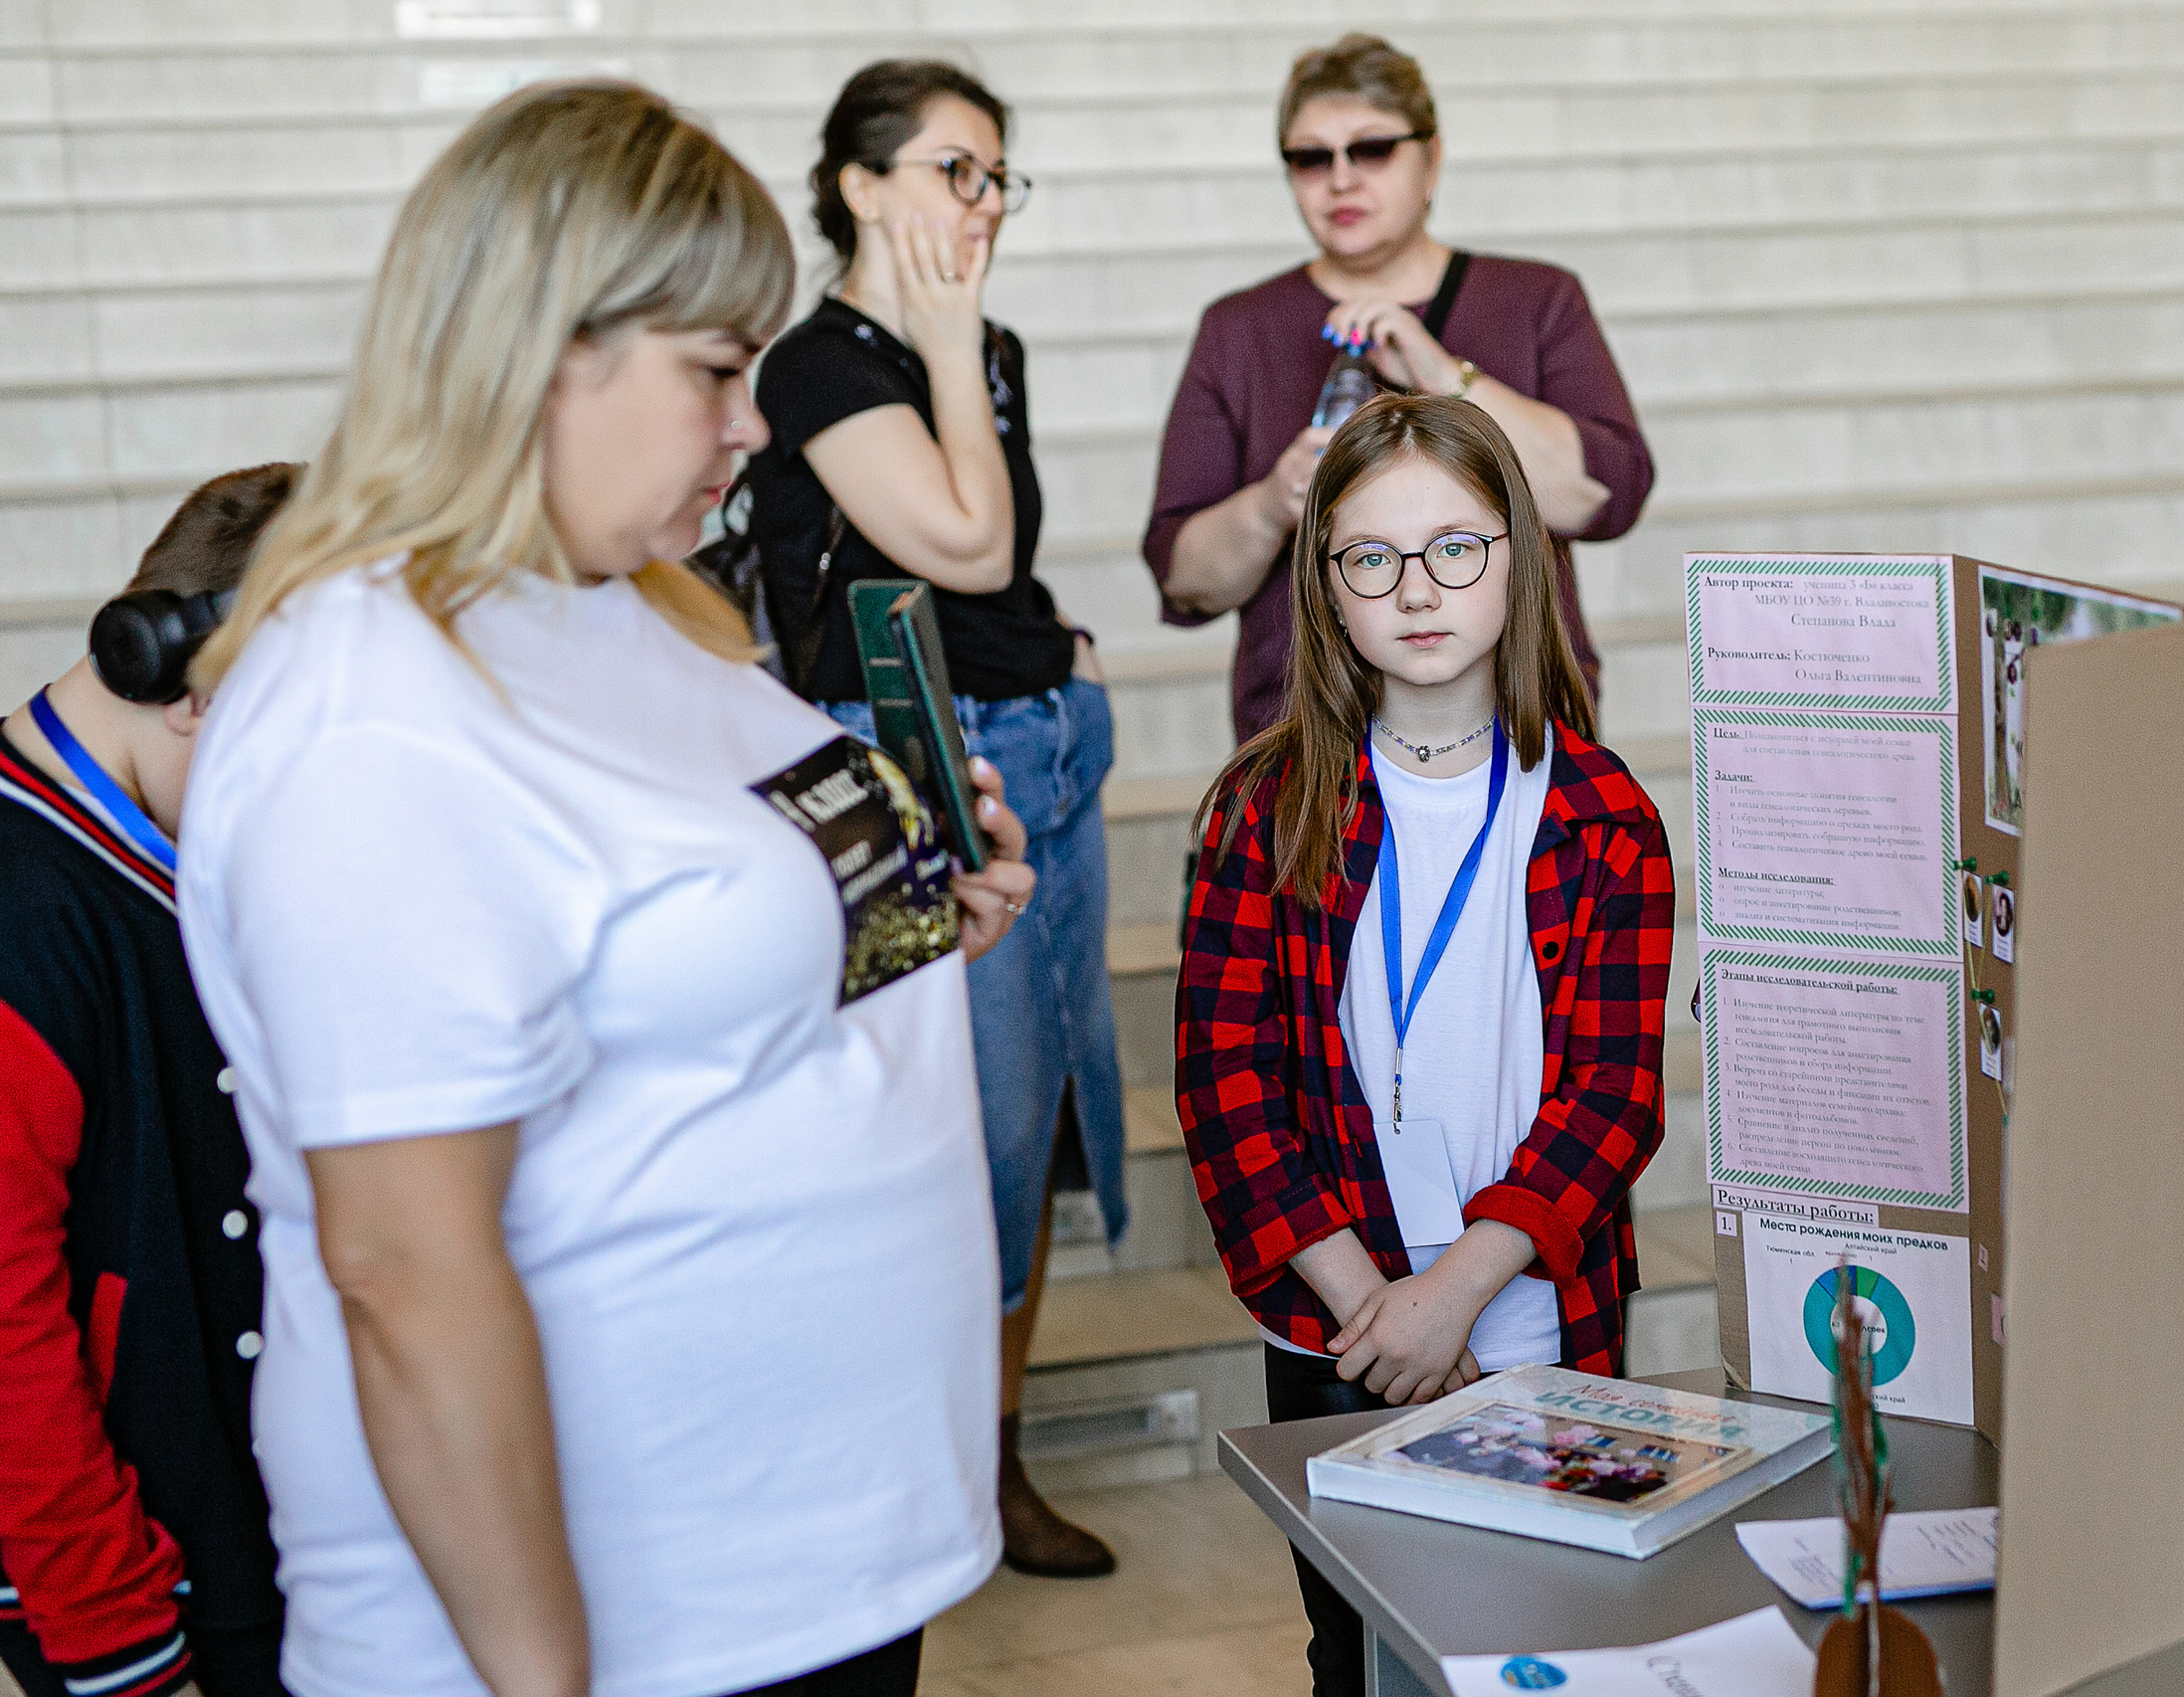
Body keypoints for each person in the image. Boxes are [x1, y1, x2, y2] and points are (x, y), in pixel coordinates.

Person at [176, 83, 1036, 1697]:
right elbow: (403, 1268)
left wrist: (922, 915)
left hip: (803, 1570)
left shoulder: (635, 605)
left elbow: (699, 965)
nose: (753, 423)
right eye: (715, 368)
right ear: (542, 345)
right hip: (628, 1627)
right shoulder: (373, 702)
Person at [1177, 396, 1672, 1697]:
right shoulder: (1264, 806)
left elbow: (1613, 1096)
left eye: (1458, 545)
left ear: (1520, 556)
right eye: (1372, 556)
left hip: (1535, 1320)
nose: (1418, 588)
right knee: (1358, 1648)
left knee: (1551, 1645)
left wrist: (1454, 1293)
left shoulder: (1602, 812)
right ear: (1325, 586)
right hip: (1336, 1328)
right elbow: (1226, 1085)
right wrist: (1374, 1309)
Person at [747, 57, 1126, 1579]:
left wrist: (1064, 664)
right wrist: (955, 341)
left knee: (1032, 1131)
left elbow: (1006, 563)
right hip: (915, 762)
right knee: (946, 1124)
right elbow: (965, 541)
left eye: (996, 178)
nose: (980, 207)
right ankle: (922, 1461)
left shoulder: (990, 346)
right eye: (952, 172)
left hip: (1043, 741)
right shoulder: (817, 364)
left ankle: (992, 1454)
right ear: (858, 184)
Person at [0, 465, 299, 1697]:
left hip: (253, 1541)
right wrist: (116, 1633)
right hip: (137, 1595)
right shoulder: (24, 907)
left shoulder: (184, 845)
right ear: (190, 684)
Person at [1145, 33, 1654, 743]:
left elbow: (1606, 495)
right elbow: (1182, 577)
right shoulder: (1239, 328)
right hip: (1308, 747)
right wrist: (1270, 505)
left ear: (1433, 158)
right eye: (1311, 158)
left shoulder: (1537, 298)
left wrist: (1445, 375)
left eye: (1373, 148)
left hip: (1520, 728)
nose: (1342, 179)